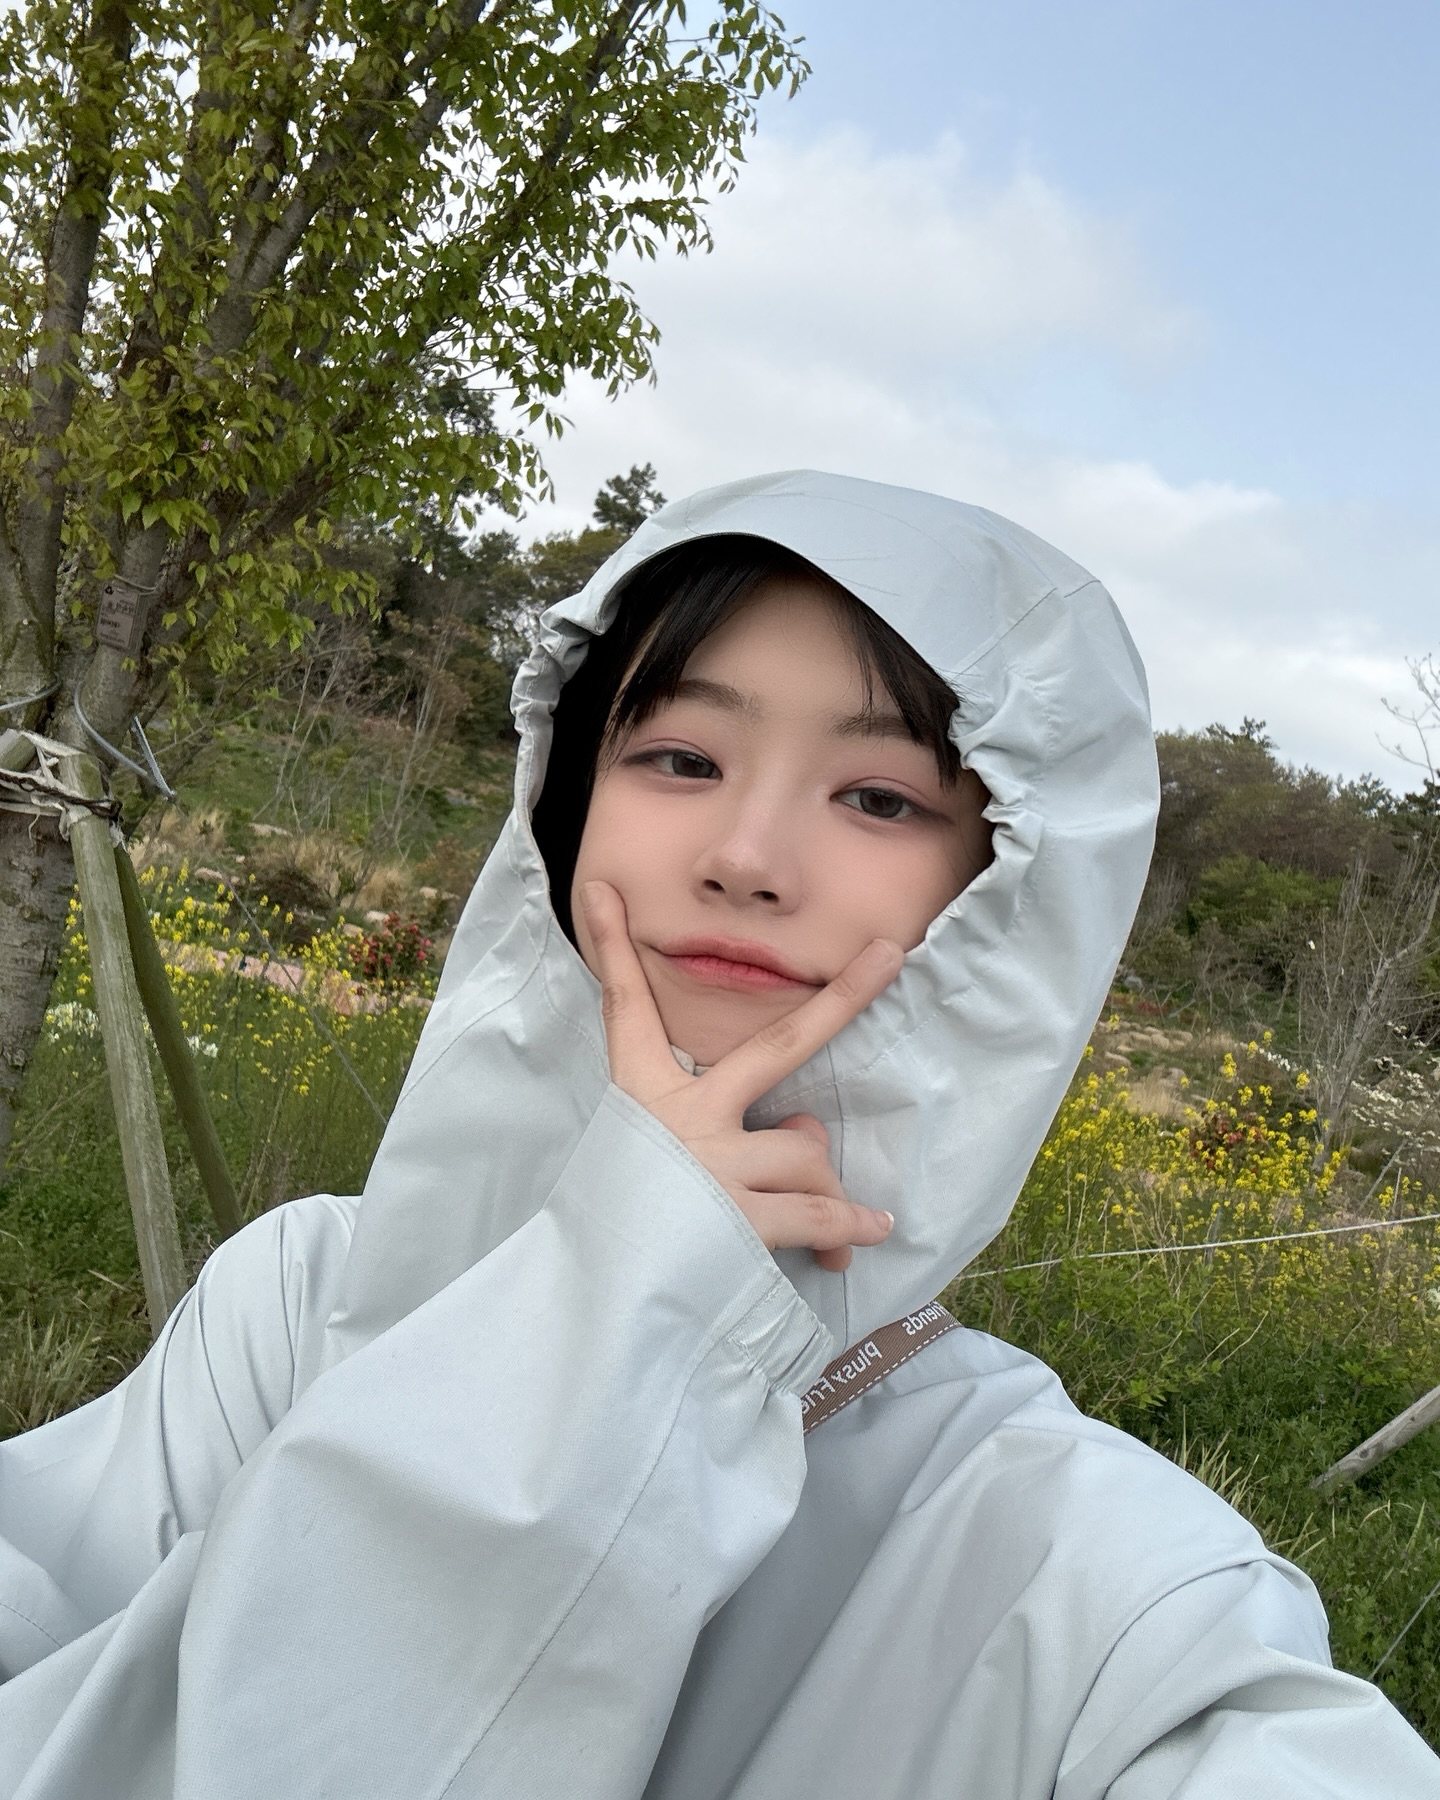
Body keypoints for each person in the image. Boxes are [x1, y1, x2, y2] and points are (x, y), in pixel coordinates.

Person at [0, 471, 1435, 1798]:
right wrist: (615, 1296)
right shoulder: (292, 1307)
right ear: (566, 803)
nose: (745, 859)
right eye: (681, 757)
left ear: (1012, 904)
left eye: (879, 797)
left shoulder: (1086, 1571)